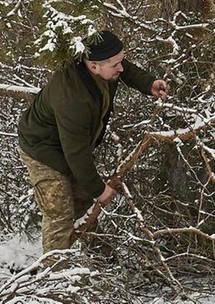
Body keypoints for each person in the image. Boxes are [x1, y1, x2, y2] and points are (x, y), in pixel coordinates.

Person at [17, 30, 170, 252]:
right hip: (42, 150)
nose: (121, 68)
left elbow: (124, 69)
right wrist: (99, 189)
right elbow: (76, 154)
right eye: (115, 64)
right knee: (60, 214)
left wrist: (149, 84)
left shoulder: (102, 63)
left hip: (70, 145)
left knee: (84, 204)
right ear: (93, 66)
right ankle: (55, 276)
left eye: (121, 61)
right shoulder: (73, 97)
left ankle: (94, 263)